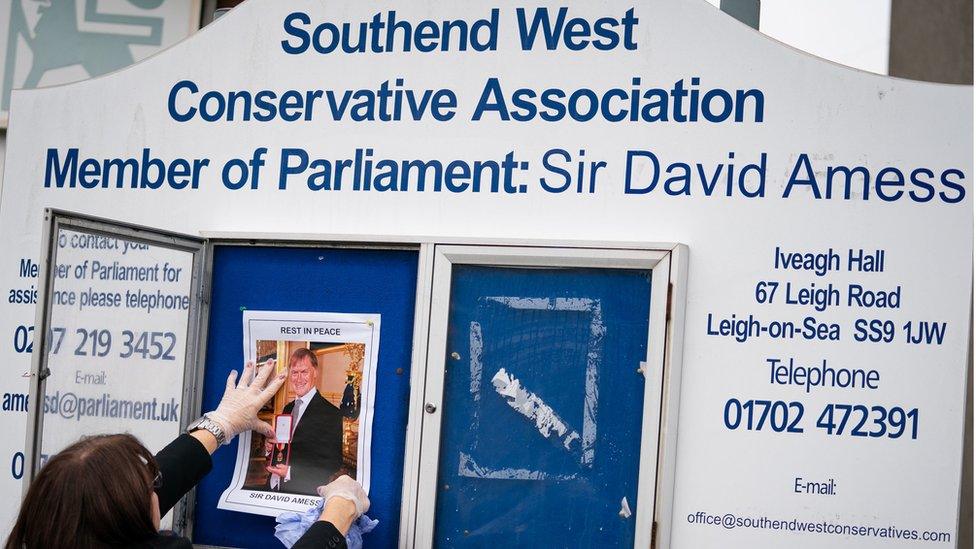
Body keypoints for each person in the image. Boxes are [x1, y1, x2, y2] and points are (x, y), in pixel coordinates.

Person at [5, 361, 369, 549]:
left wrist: (220, 424)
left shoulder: (54, 533)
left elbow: (105, 501)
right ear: (127, 523)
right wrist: (337, 513)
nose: (157, 486)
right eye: (150, 485)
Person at [266, 348, 344, 495]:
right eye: (295, 373)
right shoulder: (288, 408)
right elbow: (284, 447)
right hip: (274, 487)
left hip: (303, 493)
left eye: (304, 372)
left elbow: (333, 463)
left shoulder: (331, 413)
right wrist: (270, 448)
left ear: (315, 373)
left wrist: (290, 472)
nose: (299, 378)